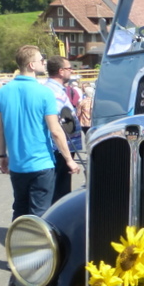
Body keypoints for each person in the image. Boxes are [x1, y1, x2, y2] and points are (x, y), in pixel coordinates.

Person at [0, 46, 80, 219]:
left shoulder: (2, 92)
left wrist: (2, 156)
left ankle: (18, 243)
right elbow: (55, 131)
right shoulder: (44, 93)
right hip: (41, 163)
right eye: (41, 60)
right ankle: (39, 245)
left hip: (18, 164)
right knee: (40, 212)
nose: (44, 63)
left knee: (19, 209)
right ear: (32, 65)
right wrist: (69, 160)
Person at [42, 55, 83, 203]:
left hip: (61, 149)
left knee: (59, 190)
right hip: (59, 150)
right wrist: (68, 158)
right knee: (60, 193)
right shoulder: (54, 92)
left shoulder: (55, 90)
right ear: (61, 71)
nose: (71, 71)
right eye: (69, 68)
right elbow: (57, 125)